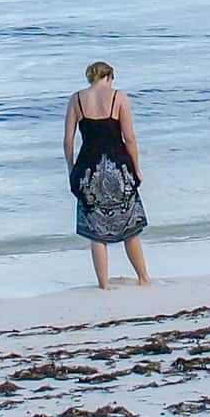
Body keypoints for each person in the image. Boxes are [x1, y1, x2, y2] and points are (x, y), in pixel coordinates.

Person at [64, 59, 152, 289]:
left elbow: (68, 141)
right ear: (109, 76)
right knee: (130, 226)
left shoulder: (76, 99)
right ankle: (143, 277)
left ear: (90, 78)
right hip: (118, 167)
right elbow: (129, 138)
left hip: (88, 169)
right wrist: (137, 168)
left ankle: (103, 285)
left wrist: (71, 168)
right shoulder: (118, 97)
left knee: (96, 232)